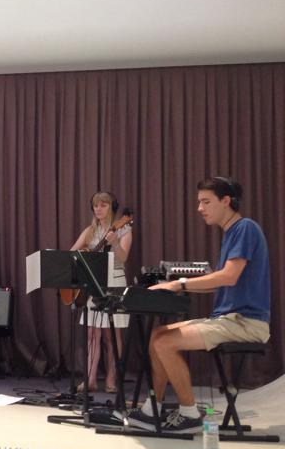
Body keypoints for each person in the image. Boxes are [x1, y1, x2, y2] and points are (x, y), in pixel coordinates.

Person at [127, 177, 270, 434]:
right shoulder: (231, 233)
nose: (200, 208)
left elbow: (228, 276)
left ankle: (189, 415)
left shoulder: (245, 228)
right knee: (157, 335)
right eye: (199, 202)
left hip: (247, 322)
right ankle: (153, 409)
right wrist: (170, 284)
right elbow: (220, 284)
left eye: (206, 202)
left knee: (164, 342)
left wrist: (178, 285)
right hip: (227, 319)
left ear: (226, 201)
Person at [69, 191, 133, 393]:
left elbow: (122, 259)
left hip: (114, 281)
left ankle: (113, 379)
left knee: (111, 334)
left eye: (103, 205)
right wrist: (84, 255)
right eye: (96, 206)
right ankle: (90, 379)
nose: (98, 209)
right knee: (91, 333)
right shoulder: (90, 231)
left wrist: (114, 242)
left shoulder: (124, 229)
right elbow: (71, 253)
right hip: (94, 283)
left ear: (112, 208)